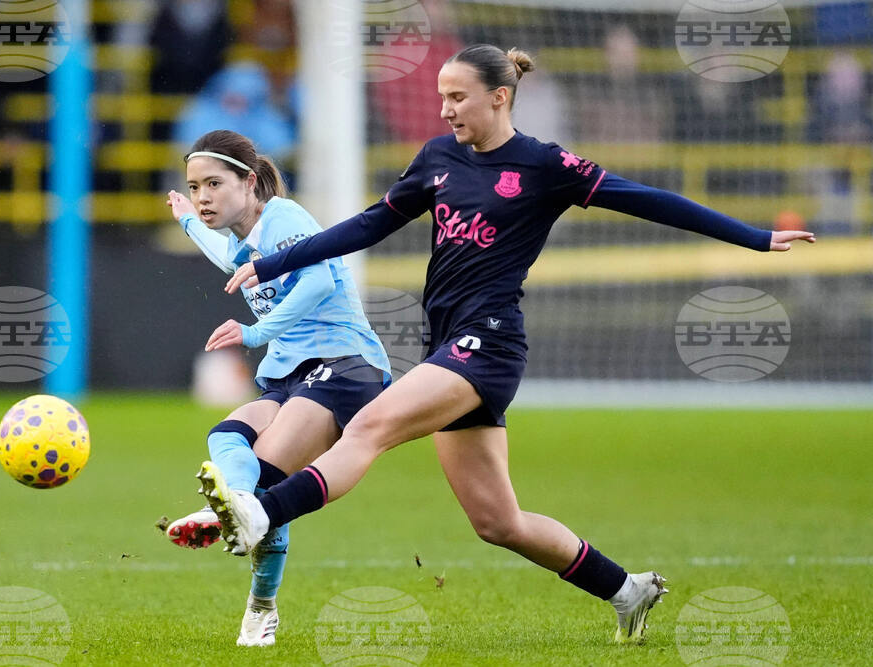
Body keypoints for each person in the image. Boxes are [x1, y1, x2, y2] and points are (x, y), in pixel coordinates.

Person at [211, 44, 816, 643]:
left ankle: (263, 511)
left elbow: (650, 201)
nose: (445, 109)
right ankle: (626, 589)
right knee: (498, 523)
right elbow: (369, 224)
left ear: (499, 97)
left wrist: (755, 237)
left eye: (458, 97)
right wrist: (275, 263)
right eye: (442, 97)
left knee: (370, 425)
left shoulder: (545, 165)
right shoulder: (437, 158)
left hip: (489, 344)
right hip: (447, 346)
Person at [163, 130, 391, 646]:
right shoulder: (242, 240)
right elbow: (228, 260)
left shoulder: (282, 217)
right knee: (226, 436)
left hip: (343, 363)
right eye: (194, 186)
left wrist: (256, 332)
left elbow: (319, 282)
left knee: (265, 477)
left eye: (213, 184)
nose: (202, 196)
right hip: (291, 373)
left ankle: (246, 565)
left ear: (249, 182)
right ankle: (242, 542)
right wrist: (186, 220)